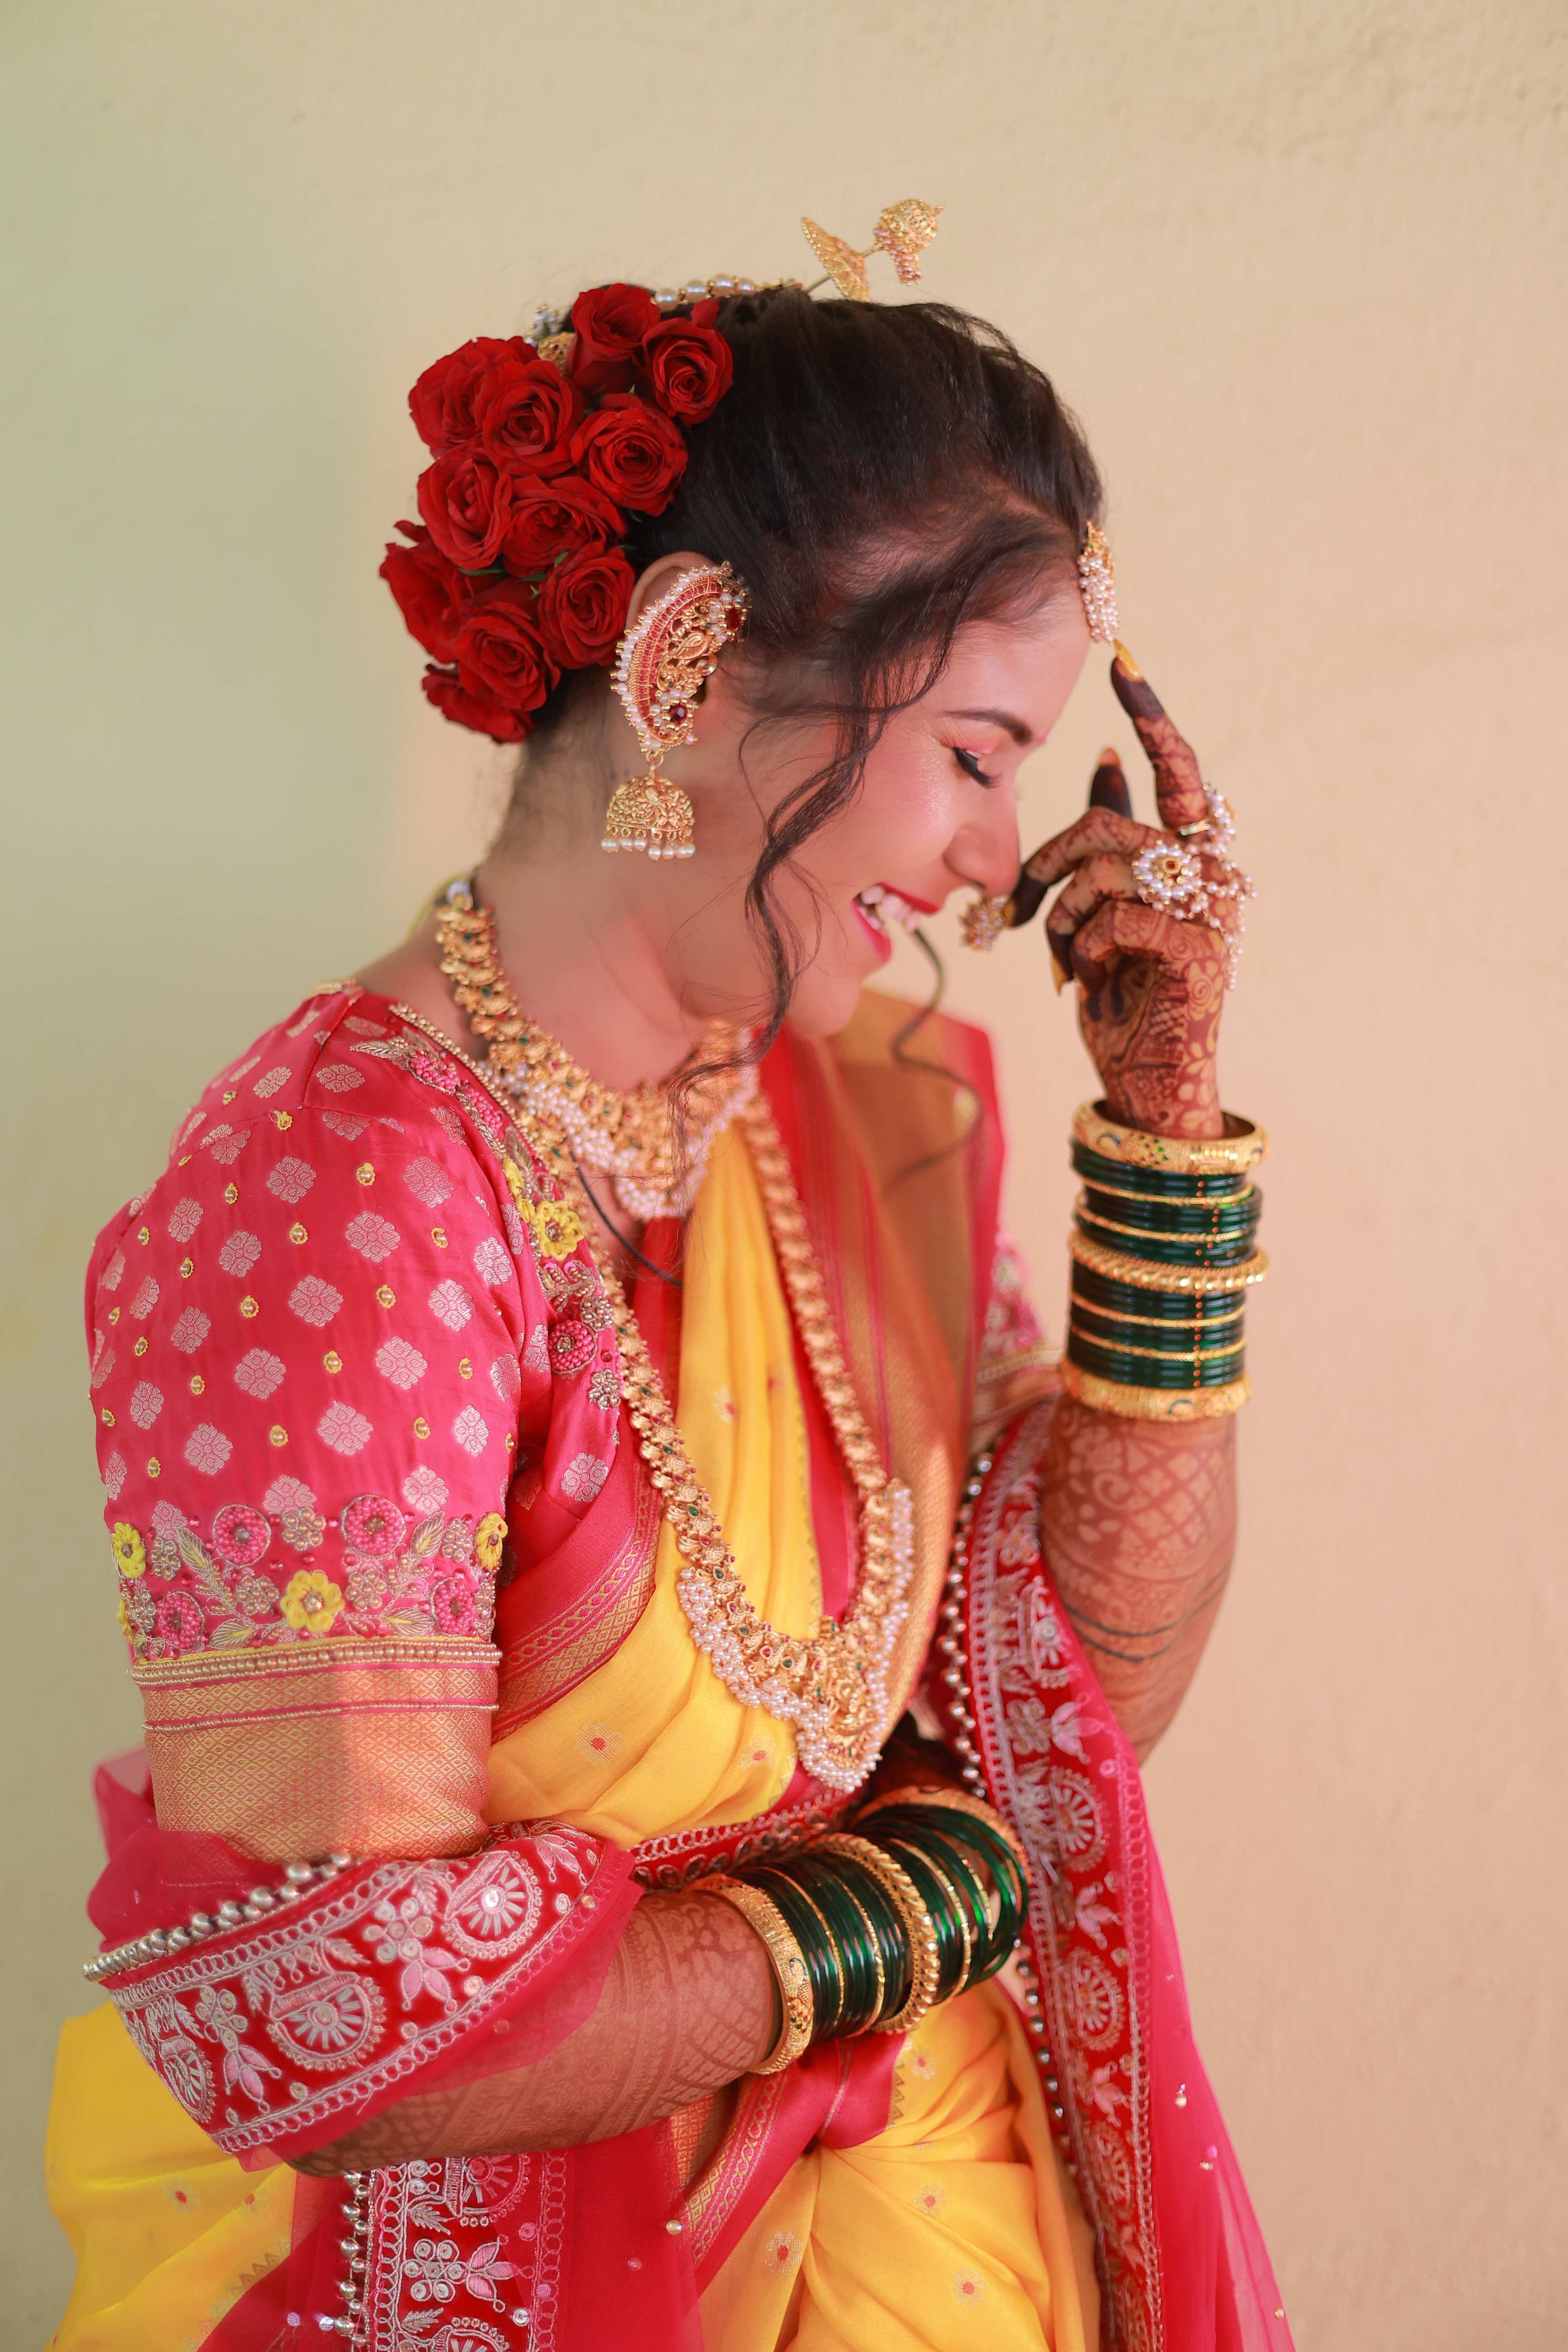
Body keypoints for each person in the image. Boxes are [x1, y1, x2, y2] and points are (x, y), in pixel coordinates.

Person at [44, 212, 1289, 2351]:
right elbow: (331, 2013)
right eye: (979, 754)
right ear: (694, 667)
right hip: (483, 2288)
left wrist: (1167, 1136)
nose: (1004, 860)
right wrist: (922, 1896)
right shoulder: (353, 1195)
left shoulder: (866, 1111)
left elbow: (1071, 1705)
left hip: (916, 2227)